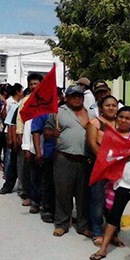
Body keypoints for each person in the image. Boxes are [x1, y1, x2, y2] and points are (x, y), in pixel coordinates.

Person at [90, 107, 130, 260]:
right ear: (116, 118)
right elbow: (108, 158)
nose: (124, 120)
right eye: (121, 117)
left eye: (127, 118)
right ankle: (103, 248)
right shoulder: (110, 136)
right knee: (115, 213)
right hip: (123, 180)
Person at [45, 85, 92, 237]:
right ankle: (62, 224)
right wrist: (53, 132)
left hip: (85, 159)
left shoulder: (91, 113)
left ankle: (83, 225)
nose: (76, 98)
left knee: (83, 194)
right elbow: (46, 131)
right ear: (67, 97)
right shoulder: (58, 112)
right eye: (73, 96)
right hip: (64, 157)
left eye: (79, 95)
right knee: (62, 192)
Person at [86, 95, 119, 245]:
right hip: (100, 167)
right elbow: (93, 144)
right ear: (100, 108)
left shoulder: (121, 123)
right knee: (98, 200)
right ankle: (97, 231)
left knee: (115, 201)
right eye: (107, 105)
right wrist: (107, 160)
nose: (111, 108)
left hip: (117, 168)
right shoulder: (95, 123)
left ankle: (113, 232)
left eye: (114, 105)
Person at [15, 74, 44, 205]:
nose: (33, 86)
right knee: (29, 169)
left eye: (35, 83)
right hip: (29, 137)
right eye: (31, 84)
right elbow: (20, 119)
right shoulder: (26, 100)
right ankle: (29, 195)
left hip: (44, 138)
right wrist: (20, 135)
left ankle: (42, 199)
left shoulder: (47, 99)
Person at [31, 109, 57, 223]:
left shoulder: (64, 111)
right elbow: (36, 132)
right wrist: (38, 152)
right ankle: (46, 209)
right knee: (48, 183)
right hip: (48, 153)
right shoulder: (42, 112)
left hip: (64, 155)